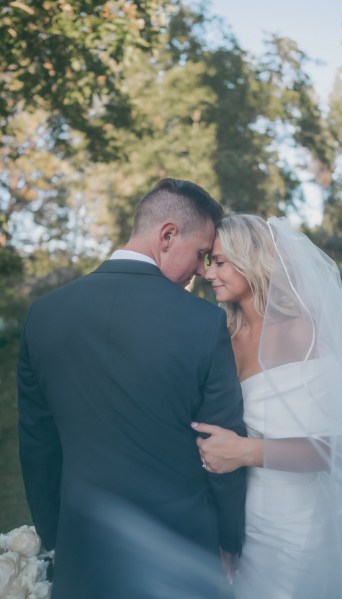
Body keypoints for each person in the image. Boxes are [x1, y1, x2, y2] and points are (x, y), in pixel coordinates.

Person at [18, 178, 246, 599]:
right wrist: (230, 541)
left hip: (81, 554)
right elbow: (222, 448)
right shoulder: (203, 323)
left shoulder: (43, 316)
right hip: (182, 556)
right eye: (200, 254)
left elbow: (38, 446)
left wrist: (57, 541)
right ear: (167, 235)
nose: (202, 270)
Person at [192, 214, 342, 599]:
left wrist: (245, 451)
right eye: (209, 261)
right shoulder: (224, 334)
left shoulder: (303, 331)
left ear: (253, 260)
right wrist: (225, 535)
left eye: (221, 262)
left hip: (298, 525)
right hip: (244, 520)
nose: (210, 273)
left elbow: (339, 448)